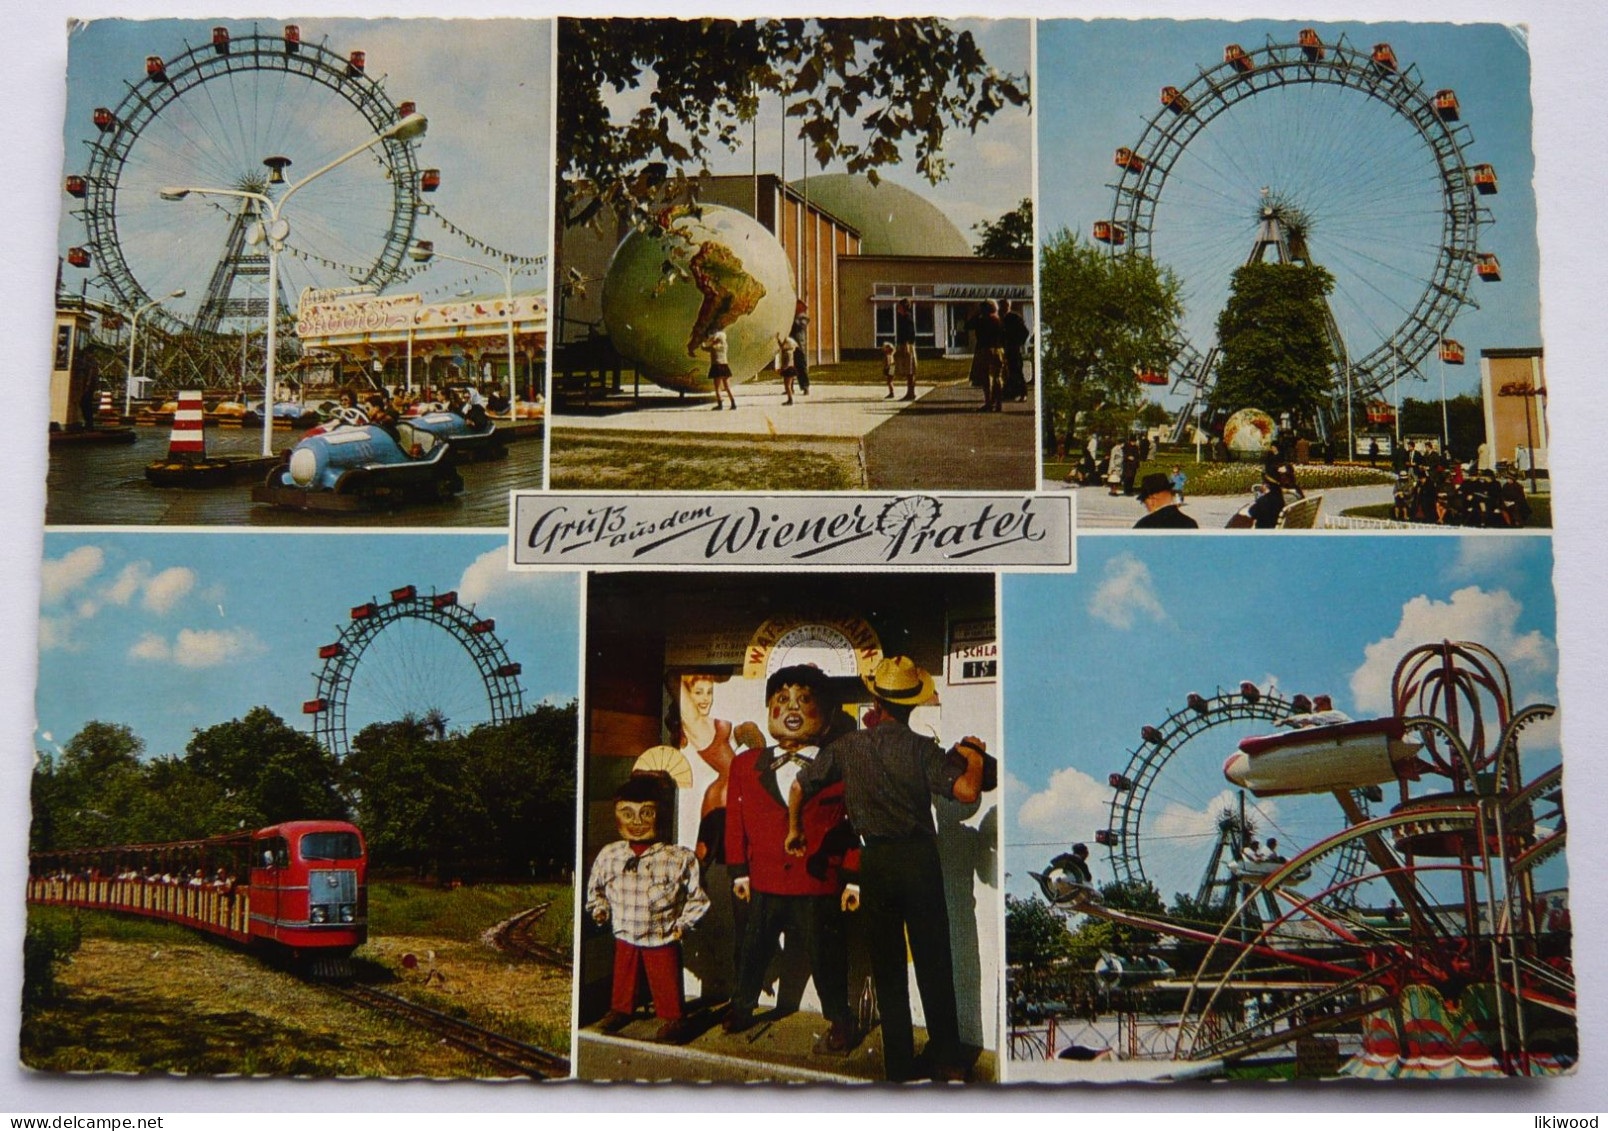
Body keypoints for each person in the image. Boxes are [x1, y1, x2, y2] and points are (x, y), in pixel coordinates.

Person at [786, 655, 994, 1082]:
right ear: (911, 705)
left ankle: (897, 1066)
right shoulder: (923, 750)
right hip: (919, 860)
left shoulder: (846, 748)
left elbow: (798, 785)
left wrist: (794, 829)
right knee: (935, 961)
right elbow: (969, 791)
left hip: (875, 861)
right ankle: (949, 1061)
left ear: (875, 701)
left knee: (888, 967)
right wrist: (974, 753)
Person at [723, 665, 858, 1050]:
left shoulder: (842, 763)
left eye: (805, 700)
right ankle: (742, 1006)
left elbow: (855, 826)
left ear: (829, 714)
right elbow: (736, 821)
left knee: (827, 956)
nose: (792, 708)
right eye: (781, 700)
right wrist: (738, 872)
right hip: (763, 880)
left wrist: (852, 878)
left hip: (818, 881)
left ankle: (839, 1020)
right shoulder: (745, 764)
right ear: (768, 710)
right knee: (753, 951)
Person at [586, 775, 710, 1044]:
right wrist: (600, 909)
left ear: (661, 815)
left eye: (646, 813)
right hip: (624, 929)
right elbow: (596, 890)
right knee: (624, 973)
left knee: (665, 977)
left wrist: (683, 924)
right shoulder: (610, 854)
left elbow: (698, 898)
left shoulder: (678, 858)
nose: (637, 822)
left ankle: (674, 1017)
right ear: (616, 816)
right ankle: (621, 1009)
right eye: (627, 814)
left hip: (662, 933)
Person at [1134, 472, 1198, 529]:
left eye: (1144, 503)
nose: (1146, 507)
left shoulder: (1143, 526)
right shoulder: (1190, 524)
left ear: (1151, 501)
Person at [1000, 299, 1030, 402]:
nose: (1004, 307)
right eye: (1002, 305)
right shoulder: (1000, 317)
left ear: (1009, 305)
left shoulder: (1014, 317)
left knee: (1016, 371)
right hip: (1003, 348)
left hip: (1013, 349)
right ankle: (1009, 393)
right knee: (1006, 372)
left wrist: (1017, 343)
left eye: (1006, 305)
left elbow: (1025, 332)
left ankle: (1023, 393)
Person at [704, 328, 736, 411]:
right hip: (725, 366)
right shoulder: (725, 346)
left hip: (716, 366)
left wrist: (705, 340)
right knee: (727, 387)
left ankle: (720, 404)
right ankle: (733, 403)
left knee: (717, 387)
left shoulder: (713, 347)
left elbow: (704, 347)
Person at [894, 299, 918, 401]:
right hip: (904, 344)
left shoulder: (907, 318)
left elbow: (910, 332)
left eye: (899, 306)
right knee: (908, 370)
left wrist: (906, 344)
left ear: (903, 307)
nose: (897, 308)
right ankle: (910, 392)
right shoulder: (903, 317)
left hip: (907, 346)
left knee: (909, 369)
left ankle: (910, 392)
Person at [790, 301, 811, 395]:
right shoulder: (790, 316)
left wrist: (793, 319)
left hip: (799, 344)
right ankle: (790, 387)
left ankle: (805, 386)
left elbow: (802, 324)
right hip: (790, 344)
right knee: (789, 367)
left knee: (801, 366)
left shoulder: (802, 317)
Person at [775, 332, 799, 406]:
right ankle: (789, 399)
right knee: (787, 385)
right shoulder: (788, 351)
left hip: (788, 369)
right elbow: (781, 346)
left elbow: (787, 363)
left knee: (787, 386)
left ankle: (790, 400)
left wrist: (781, 370)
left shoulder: (788, 353)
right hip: (789, 369)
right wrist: (778, 339)